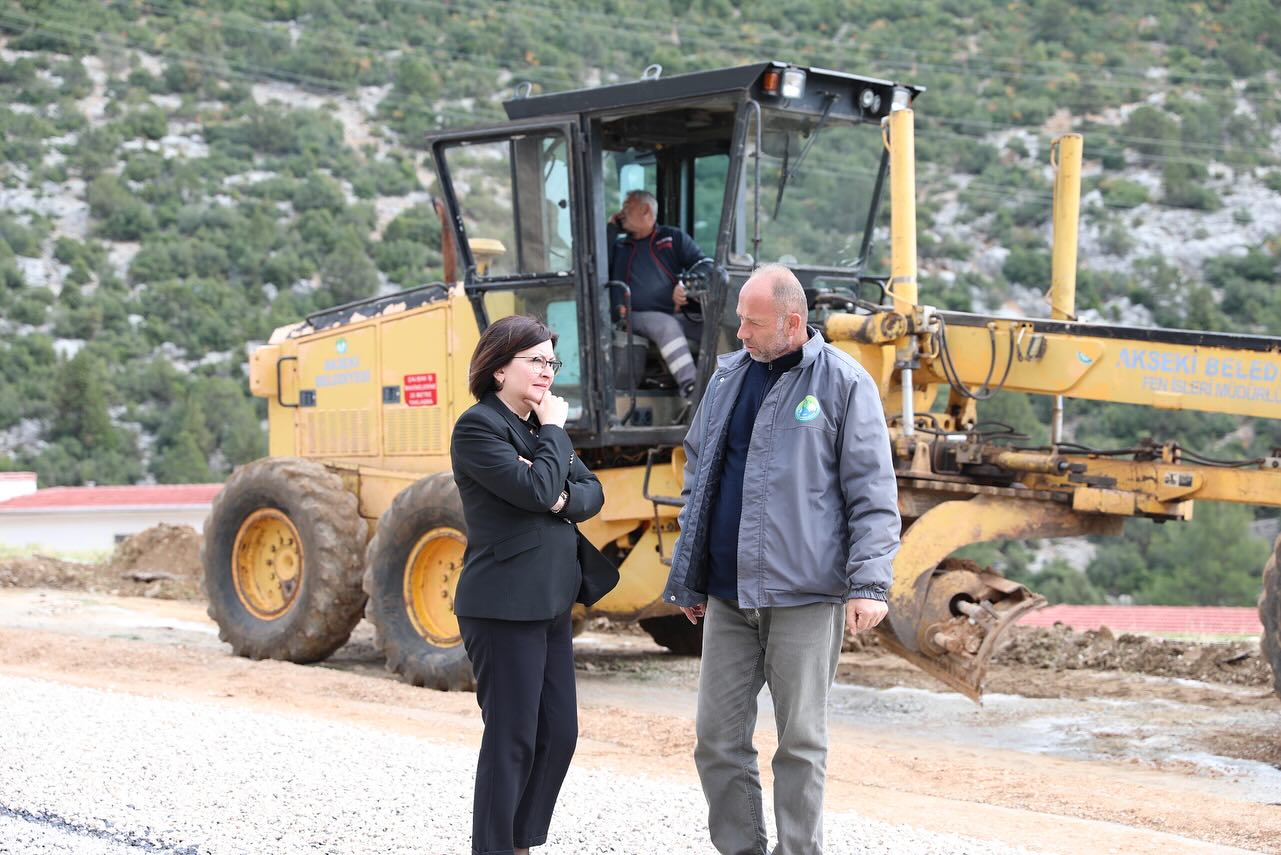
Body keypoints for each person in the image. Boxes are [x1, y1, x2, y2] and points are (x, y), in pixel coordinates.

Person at [661, 264, 901, 855]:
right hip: (725, 594)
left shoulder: (844, 383)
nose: (739, 332)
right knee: (717, 740)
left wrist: (870, 583)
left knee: (799, 744)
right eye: (739, 319)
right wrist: (688, 576)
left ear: (792, 323)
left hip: (805, 597)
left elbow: (873, 494)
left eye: (751, 321)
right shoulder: (726, 378)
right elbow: (700, 478)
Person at [450, 315, 606, 855]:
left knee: (559, 734)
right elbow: (538, 489)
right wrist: (556, 445)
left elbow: (589, 494)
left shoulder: (539, 431)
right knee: (510, 740)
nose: (548, 372)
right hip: (502, 604)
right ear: (498, 369)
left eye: (551, 363)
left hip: (550, 601)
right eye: (536, 361)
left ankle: (520, 841)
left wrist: (556, 484)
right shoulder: (478, 428)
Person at [608, 189, 713, 400]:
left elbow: (706, 265)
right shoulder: (618, 246)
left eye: (627, 207)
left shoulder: (673, 238)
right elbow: (594, 261)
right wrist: (611, 227)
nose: (622, 213)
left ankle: (724, 392)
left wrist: (685, 284)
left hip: (675, 316)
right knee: (665, 324)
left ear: (645, 210)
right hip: (632, 317)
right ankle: (693, 391)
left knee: (714, 328)